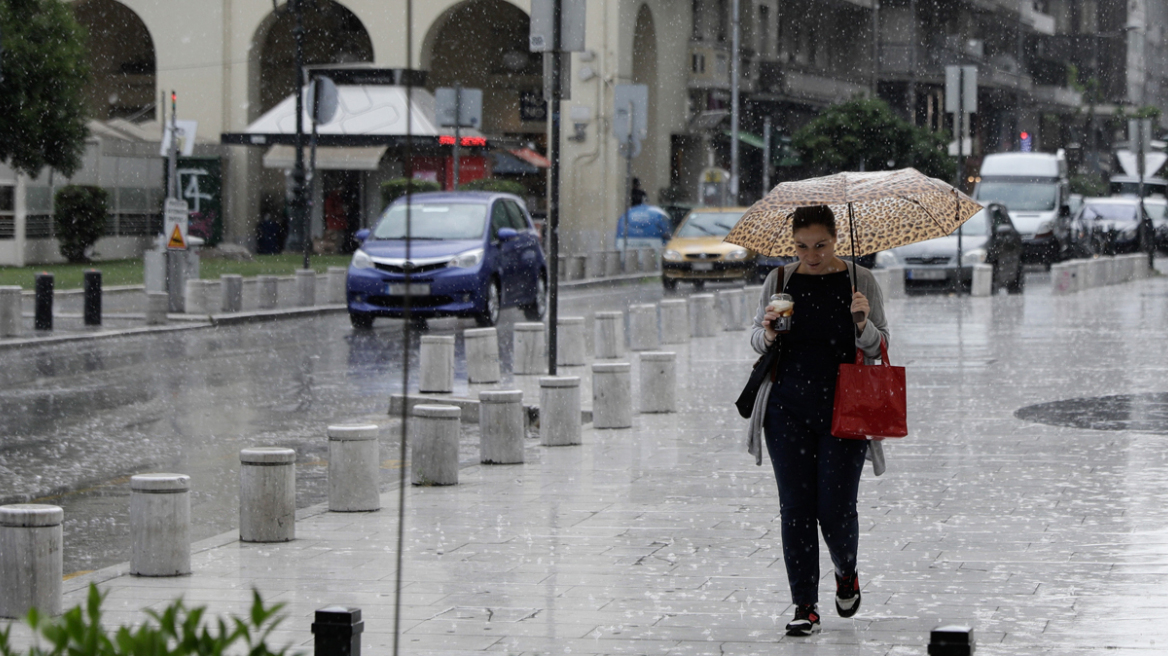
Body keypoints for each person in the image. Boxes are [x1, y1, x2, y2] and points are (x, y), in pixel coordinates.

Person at [747, 205, 889, 637]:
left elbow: (881, 345)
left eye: (821, 245)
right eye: (802, 246)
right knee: (796, 510)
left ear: (835, 241)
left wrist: (862, 322)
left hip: (844, 407)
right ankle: (804, 605)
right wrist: (768, 332)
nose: (811, 254)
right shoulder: (779, 281)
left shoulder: (859, 281)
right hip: (786, 409)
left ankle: (846, 570)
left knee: (835, 509)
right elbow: (756, 338)